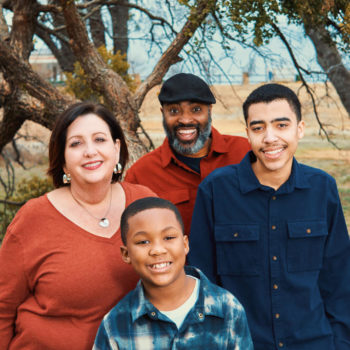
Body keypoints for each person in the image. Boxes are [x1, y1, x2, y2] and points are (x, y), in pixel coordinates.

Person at [188, 83, 350, 349]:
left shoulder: (323, 188)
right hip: (241, 343)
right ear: (248, 134)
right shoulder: (216, 191)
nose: (270, 138)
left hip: (314, 342)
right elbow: (201, 282)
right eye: (258, 127)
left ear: (300, 129)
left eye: (281, 125)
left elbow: (340, 280)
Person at [0, 102, 156, 350]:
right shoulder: (33, 219)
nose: (90, 151)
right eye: (76, 144)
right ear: (62, 160)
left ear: (116, 149)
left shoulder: (146, 204)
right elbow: (2, 309)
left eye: (100, 139)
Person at [93, 197, 253, 350]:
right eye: (143, 242)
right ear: (126, 254)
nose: (157, 250)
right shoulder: (115, 324)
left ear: (185, 245)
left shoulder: (228, 309)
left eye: (168, 237)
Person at [125, 73, 250, 235]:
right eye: (174, 111)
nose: (185, 119)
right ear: (163, 113)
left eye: (196, 110)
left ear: (209, 111)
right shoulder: (141, 175)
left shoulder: (245, 153)